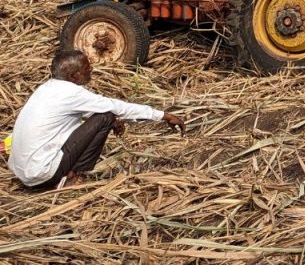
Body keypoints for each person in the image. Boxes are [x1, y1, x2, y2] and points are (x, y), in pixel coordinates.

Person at [8, 50, 186, 190]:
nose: (91, 69)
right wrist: (163, 115)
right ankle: (70, 176)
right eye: (87, 68)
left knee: (106, 117)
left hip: (25, 173)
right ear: (74, 76)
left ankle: (63, 173)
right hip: (42, 174)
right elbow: (115, 107)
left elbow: (74, 116)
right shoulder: (71, 93)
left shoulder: (47, 89)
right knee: (105, 116)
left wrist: (114, 121)